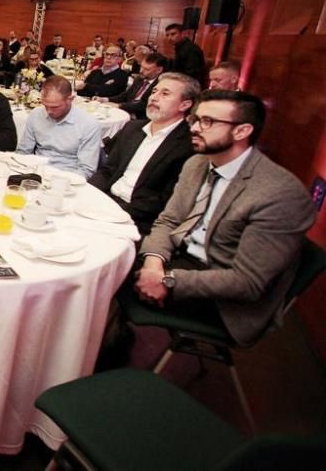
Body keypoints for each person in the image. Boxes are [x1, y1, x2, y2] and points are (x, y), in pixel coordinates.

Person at [133, 91, 316, 347]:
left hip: (224, 299)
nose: (195, 128)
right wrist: (154, 266)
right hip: (179, 259)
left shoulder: (280, 195)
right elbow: (169, 221)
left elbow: (247, 282)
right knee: (106, 260)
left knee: (105, 282)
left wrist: (169, 280)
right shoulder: (197, 163)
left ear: (242, 131)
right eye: (195, 119)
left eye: (207, 122)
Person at [89, 73, 199, 235]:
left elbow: (166, 199)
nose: (154, 97)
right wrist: (88, 194)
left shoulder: (188, 145)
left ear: (184, 105)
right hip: (104, 202)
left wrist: (113, 213)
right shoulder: (132, 128)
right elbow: (108, 171)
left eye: (165, 94)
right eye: (154, 91)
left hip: (138, 219)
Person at [17, 76, 101, 179]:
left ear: (70, 99)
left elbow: (86, 170)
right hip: (36, 173)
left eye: (55, 107)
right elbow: (23, 152)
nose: (49, 111)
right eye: (45, 105)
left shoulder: (88, 124)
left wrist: (59, 180)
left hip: (68, 177)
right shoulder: (36, 114)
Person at [104, 52, 167, 119]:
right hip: (128, 112)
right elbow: (126, 95)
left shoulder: (162, 84)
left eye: (146, 69)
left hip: (142, 118)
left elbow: (144, 105)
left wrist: (119, 105)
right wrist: (106, 99)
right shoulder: (139, 79)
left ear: (159, 70)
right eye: (141, 67)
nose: (141, 71)